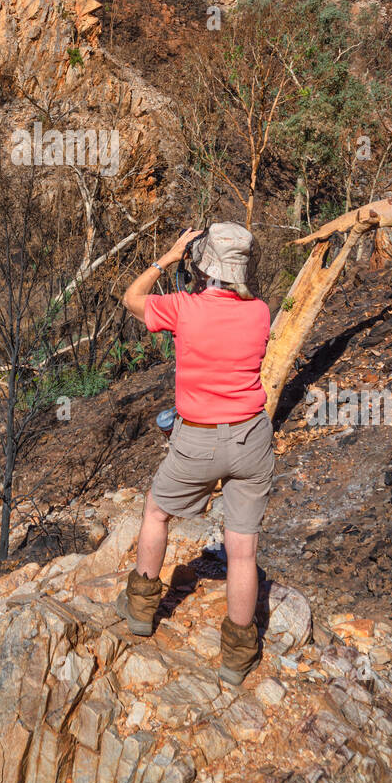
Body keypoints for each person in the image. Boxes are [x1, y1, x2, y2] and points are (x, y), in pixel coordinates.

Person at [118, 222, 273, 686]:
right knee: (242, 550)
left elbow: (130, 298)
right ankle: (236, 657)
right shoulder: (261, 312)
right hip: (251, 437)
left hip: (197, 439)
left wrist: (166, 257)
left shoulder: (183, 308)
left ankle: (143, 610)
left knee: (156, 511)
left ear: (203, 264)